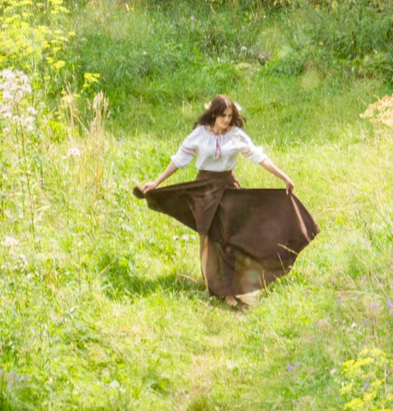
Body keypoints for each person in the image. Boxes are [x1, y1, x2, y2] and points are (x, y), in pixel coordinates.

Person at [133, 95, 319, 304]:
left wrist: (283, 176)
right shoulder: (199, 135)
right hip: (204, 190)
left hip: (228, 189)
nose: (227, 120)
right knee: (207, 237)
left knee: (230, 238)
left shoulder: (236, 135)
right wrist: (157, 182)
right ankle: (210, 285)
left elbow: (258, 157)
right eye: (224, 116)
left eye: (230, 116)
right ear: (214, 114)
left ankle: (229, 289)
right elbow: (179, 160)